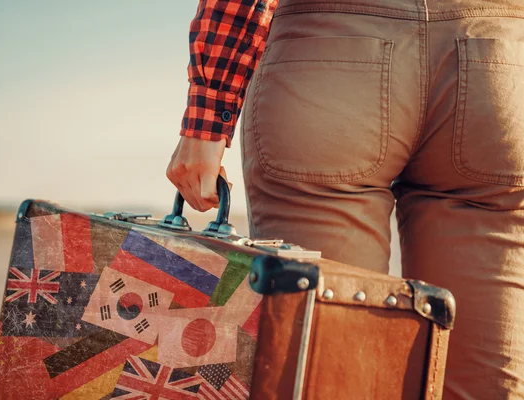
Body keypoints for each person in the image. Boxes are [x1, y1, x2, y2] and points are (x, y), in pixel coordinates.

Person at [166, 0, 524, 398]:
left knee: (329, 365)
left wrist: (208, 112)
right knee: (483, 382)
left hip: (332, 53)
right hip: (497, 59)